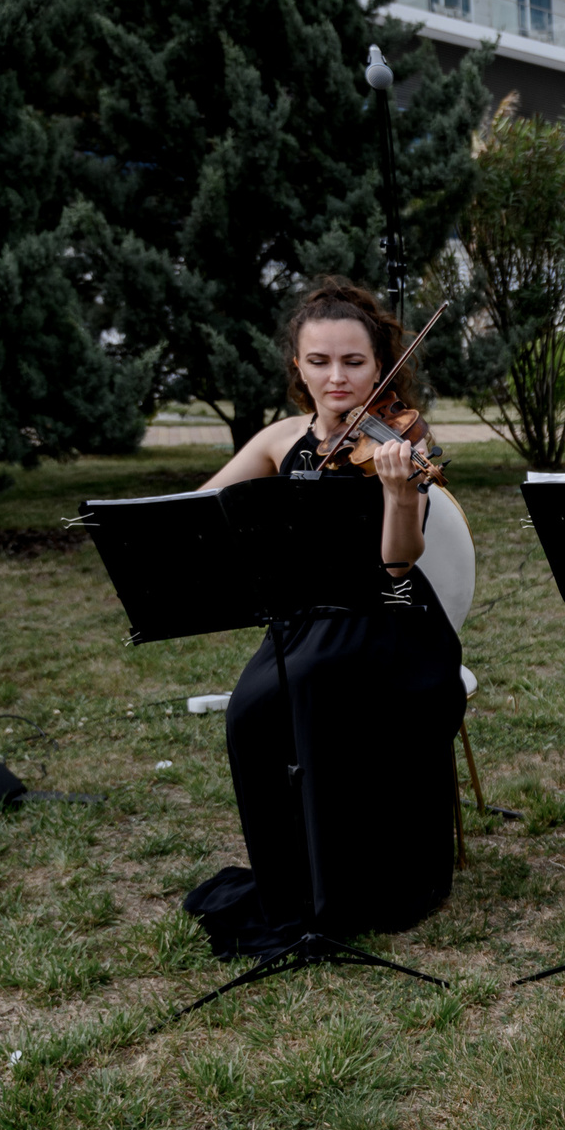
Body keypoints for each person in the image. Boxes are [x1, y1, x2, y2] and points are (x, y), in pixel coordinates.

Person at [183, 279, 467, 958]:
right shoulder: (282, 438)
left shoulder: (397, 441)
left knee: (314, 691)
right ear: (298, 367)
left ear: (380, 364)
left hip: (391, 619)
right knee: (252, 709)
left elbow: (398, 565)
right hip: (307, 618)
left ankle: (359, 885)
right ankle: (294, 878)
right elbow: (198, 508)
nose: (336, 378)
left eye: (354, 363)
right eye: (319, 362)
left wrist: (399, 494)